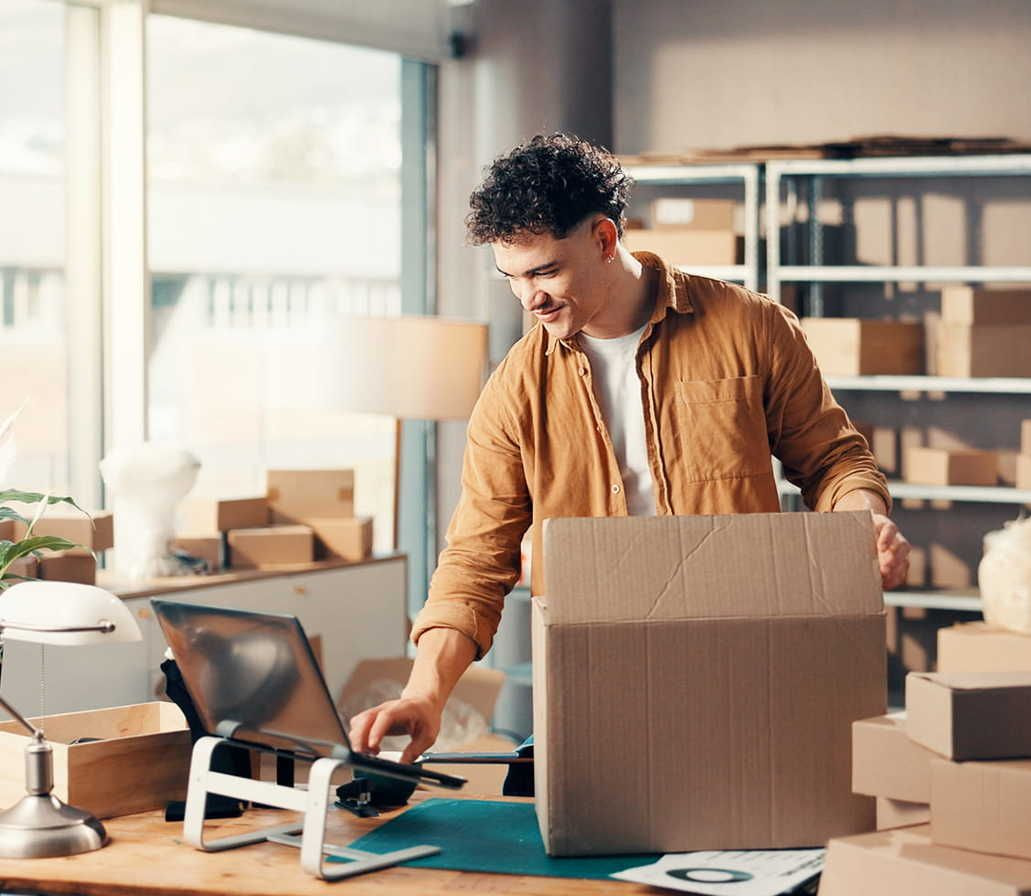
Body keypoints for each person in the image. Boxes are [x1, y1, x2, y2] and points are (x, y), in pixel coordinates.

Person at [349, 133, 911, 761]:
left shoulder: (751, 327)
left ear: (604, 239)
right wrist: (425, 694)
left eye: (545, 271)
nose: (530, 298)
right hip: (597, 674)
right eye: (512, 278)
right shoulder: (514, 388)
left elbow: (834, 460)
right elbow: (476, 562)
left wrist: (867, 522)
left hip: (749, 653)